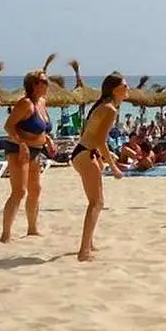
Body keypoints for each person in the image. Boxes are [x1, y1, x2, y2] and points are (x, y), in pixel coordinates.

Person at [70, 73, 128, 261]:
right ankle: (84, 251)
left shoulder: (102, 105)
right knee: (97, 203)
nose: (127, 89)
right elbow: (100, 140)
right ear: (115, 90)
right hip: (86, 154)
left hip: (83, 152)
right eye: (124, 86)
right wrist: (114, 167)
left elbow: (91, 135)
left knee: (94, 202)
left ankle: (89, 244)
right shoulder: (110, 109)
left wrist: (103, 156)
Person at [0, 70, 57, 242]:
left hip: (36, 150)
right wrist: (21, 144)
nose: (47, 84)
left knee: (36, 189)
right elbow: (8, 126)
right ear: (34, 84)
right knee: (19, 192)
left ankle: (32, 228)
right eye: (44, 81)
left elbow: (41, 129)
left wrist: (48, 140)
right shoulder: (25, 104)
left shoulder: (42, 102)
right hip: (18, 149)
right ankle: (5, 234)